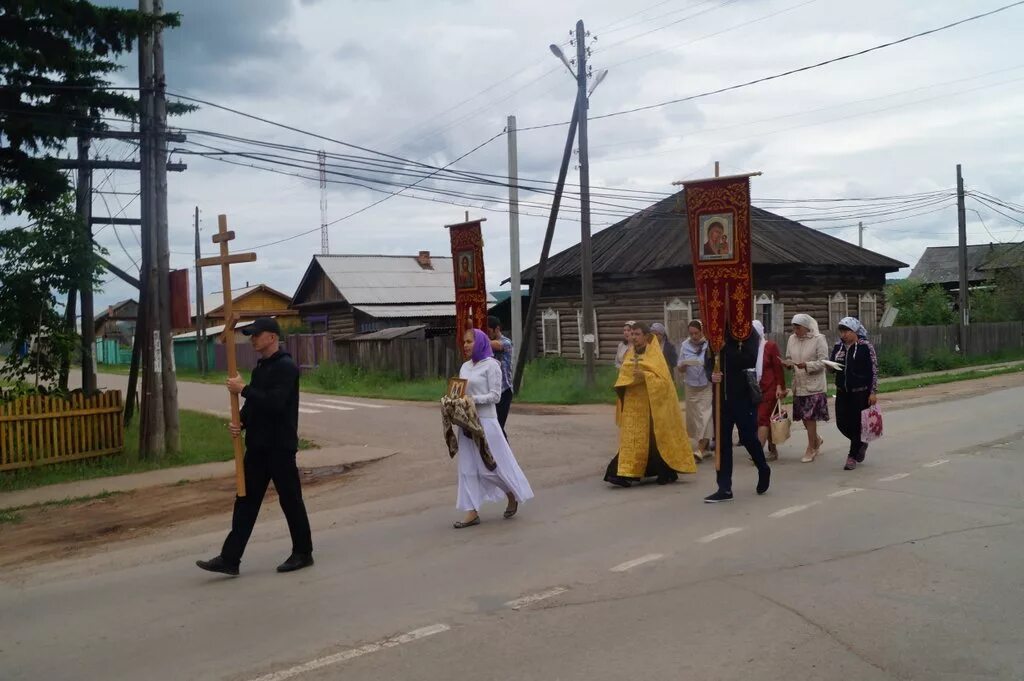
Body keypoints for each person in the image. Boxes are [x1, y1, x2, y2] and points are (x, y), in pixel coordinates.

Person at [197, 317, 313, 576]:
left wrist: (244, 389)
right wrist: (241, 422)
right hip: (258, 448)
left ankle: (303, 553)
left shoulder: (286, 367)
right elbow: (254, 405)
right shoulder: (261, 368)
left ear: (272, 337)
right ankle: (230, 559)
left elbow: (275, 403)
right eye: (251, 335)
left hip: (280, 447)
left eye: (256, 335)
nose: (252, 339)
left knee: (290, 500)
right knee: (245, 500)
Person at [453, 329, 534, 528]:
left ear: (480, 342)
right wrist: (452, 403)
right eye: (464, 342)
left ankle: (510, 493)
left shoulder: (492, 366)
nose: (465, 345)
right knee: (468, 469)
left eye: (470, 341)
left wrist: (473, 400)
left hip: (486, 423)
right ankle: (471, 512)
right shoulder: (465, 367)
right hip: (466, 424)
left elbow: (495, 396)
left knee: (489, 468)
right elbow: (459, 392)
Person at [604, 322, 696, 487]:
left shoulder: (655, 355)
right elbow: (624, 374)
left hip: (652, 405)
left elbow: (664, 382)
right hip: (634, 404)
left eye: (637, 334)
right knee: (632, 440)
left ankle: (666, 472)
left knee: (655, 439)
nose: (633, 337)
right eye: (632, 334)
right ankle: (624, 474)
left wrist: (645, 375)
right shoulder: (630, 353)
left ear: (646, 336)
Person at [704, 325, 771, 503]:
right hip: (720, 399)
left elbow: (749, 360)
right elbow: (708, 361)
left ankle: (763, 467)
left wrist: (727, 346)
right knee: (722, 442)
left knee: (748, 437)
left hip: (742, 397)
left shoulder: (747, 332)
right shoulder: (714, 332)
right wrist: (711, 375)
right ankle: (724, 488)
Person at [830, 317, 878, 471]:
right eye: (841, 331)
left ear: (855, 331)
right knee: (841, 423)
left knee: (856, 425)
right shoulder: (839, 347)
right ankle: (861, 443)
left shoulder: (865, 347)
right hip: (842, 391)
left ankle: (852, 456)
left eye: (846, 331)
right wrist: (830, 366)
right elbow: (833, 365)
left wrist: (873, 391)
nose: (843, 335)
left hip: (860, 392)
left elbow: (873, 370)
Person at [785, 313, 830, 463]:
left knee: (810, 417)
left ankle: (811, 448)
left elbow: (824, 361)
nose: (795, 330)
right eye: (793, 327)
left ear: (806, 327)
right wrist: (788, 363)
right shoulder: (792, 339)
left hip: (814, 385)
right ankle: (816, 439)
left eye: (798, 327)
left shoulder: (818, 339)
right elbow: (788, 356)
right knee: (804, 418)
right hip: (799, 384)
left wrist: (808, 365)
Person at [677, 320, 713, 462]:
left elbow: (715, 362)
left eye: (696, 333)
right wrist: (683, 366)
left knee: (705, 416)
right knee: (693, 418)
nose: (693, 336)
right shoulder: (685, 345)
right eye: (691, 334)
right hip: (691, 385)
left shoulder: (709, 344)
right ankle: (706, 447)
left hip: (706, 384)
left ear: (702, 331)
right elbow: (679, 366)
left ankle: (700, 449)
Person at [752, 320, 787, 461]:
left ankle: (757, 453)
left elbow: (778, 368)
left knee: (762, 419)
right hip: (754, 389)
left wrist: (780, 386)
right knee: (767, 420)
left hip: (770, 387)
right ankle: (773, 450)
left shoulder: (770, 346)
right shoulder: (748, 348)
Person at [486, 315, 514, 436]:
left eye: (489, 331)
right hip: (491, 390)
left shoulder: (506, 342)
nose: (488, 334)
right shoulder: (487, 345)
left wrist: (480, 339)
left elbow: (497, 345)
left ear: (497, 329)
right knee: (492, 425)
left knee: (498, 426)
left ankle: (504, 453)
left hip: (504, 390)